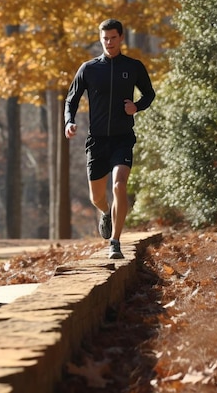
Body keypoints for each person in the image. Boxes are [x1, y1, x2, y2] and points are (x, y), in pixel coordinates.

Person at [64, 19, 155, 259]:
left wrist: (136, 107)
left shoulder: (133, 66)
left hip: (123, 137)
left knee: (119, 185)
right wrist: (69, 121)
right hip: (97, 141)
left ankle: (115, 241)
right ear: (100, 39)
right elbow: (71, 99)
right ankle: (106, 212)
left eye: (113, 37)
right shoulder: (89, 69)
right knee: (97, 197)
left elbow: (149, 94)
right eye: (105, 38)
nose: (109, 42)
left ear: (121, 38)